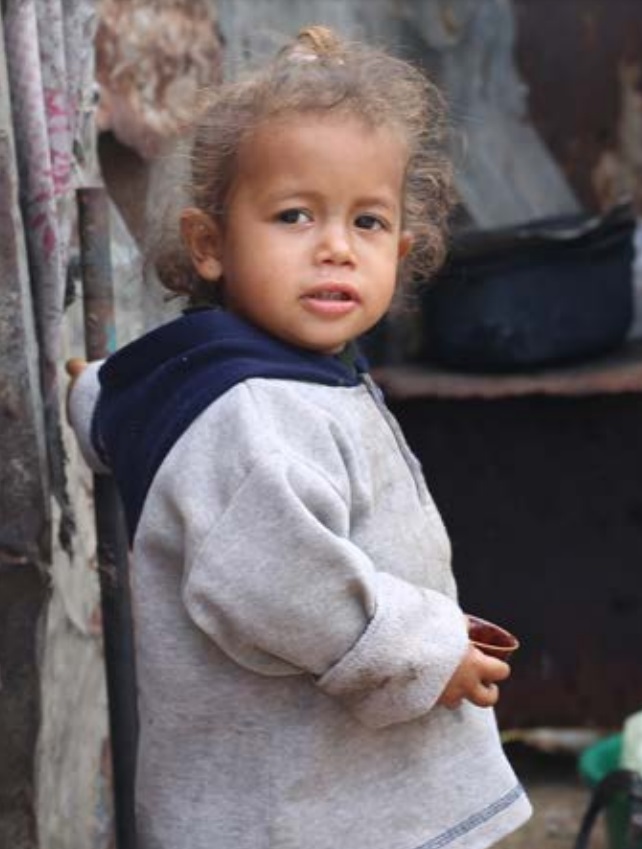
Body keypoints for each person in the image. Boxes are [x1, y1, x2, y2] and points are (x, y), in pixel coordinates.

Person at [65, 27, 531, 849]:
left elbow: (132, 401)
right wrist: (426, 649)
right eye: (293, 215)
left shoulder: (251, 374)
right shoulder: (250, 410)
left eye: (368, 222)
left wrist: (90, 391)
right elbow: (285, 583)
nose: (335, 249)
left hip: (321, 787)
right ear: (210, 245)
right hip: (295, 812)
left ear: (403, 248)